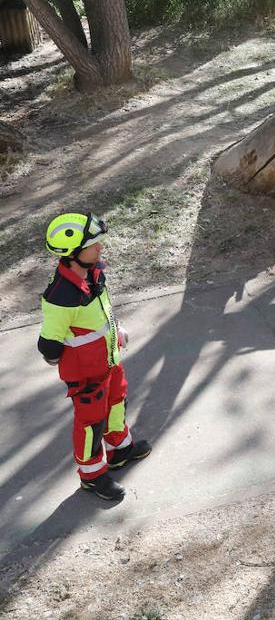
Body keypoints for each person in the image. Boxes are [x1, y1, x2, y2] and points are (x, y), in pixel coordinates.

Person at [39, 212, 151, 501]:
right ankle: (91, 475)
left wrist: (116, 329)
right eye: (93, 245)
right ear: (73, 254)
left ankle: (119, 448)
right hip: (86, 373)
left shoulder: (93, 273)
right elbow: (49, 344)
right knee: (90, 423)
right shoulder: (61, 296)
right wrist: (59, 358)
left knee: (117, 402)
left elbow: (99, 315)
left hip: (109, 360)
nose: (100, 248)